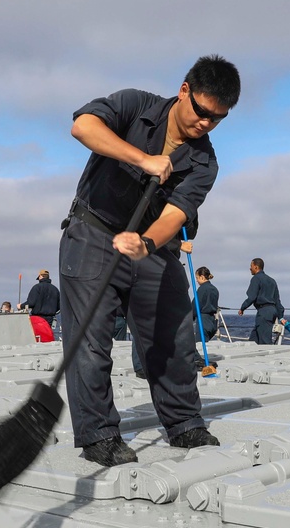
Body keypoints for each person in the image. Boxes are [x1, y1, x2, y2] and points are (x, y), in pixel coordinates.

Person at [59, 54, 240, 466]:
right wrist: (142, 160)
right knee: (90, 341)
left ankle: (184, 423)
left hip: (150, 248)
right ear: (184, 91)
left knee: (175, 336)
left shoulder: (204, 162)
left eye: (218, 119)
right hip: (91, 234)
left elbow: (176, 214)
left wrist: (146, 244)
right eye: (202, 112)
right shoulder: (134, 105)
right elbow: (82, 126)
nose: (205, 124)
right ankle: (98, 434)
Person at [238, 258, 285, 344]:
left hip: (264, 312)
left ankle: (269, 357)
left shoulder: (256, 279)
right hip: (272, 311)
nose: (250, 268)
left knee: (265, 341)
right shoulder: (272, 281)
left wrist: (242, 308)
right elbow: (277, 301)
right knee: (253, 340)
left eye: (251, 266)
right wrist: (281, 316)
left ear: (256, 267)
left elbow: (252, 297)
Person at [192, 266, 219, 368]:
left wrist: (190, 317)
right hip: (212, 320)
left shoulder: (202, 290)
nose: (197, 280)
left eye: (197, 278)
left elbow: (195, 305)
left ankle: (202, 365)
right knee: (206, 345)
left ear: (202, 277)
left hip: (203, 320)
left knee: (199, 346)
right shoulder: (215, 289)